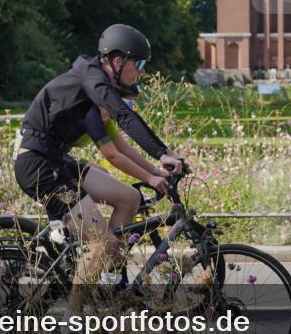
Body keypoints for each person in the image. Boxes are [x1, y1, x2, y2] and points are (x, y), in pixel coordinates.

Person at [14, 23, 183, 311]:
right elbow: (123, 123)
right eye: (139, 64)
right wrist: (162, 154)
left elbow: (122, 146)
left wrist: (157, 171)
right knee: (103, 243)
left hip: (58, 161)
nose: (142, 72)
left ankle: (107, 274)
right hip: (39, 167)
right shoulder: (92, 80)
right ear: (118, 61)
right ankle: (71, 317)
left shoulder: (93, 83)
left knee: (130, 197)